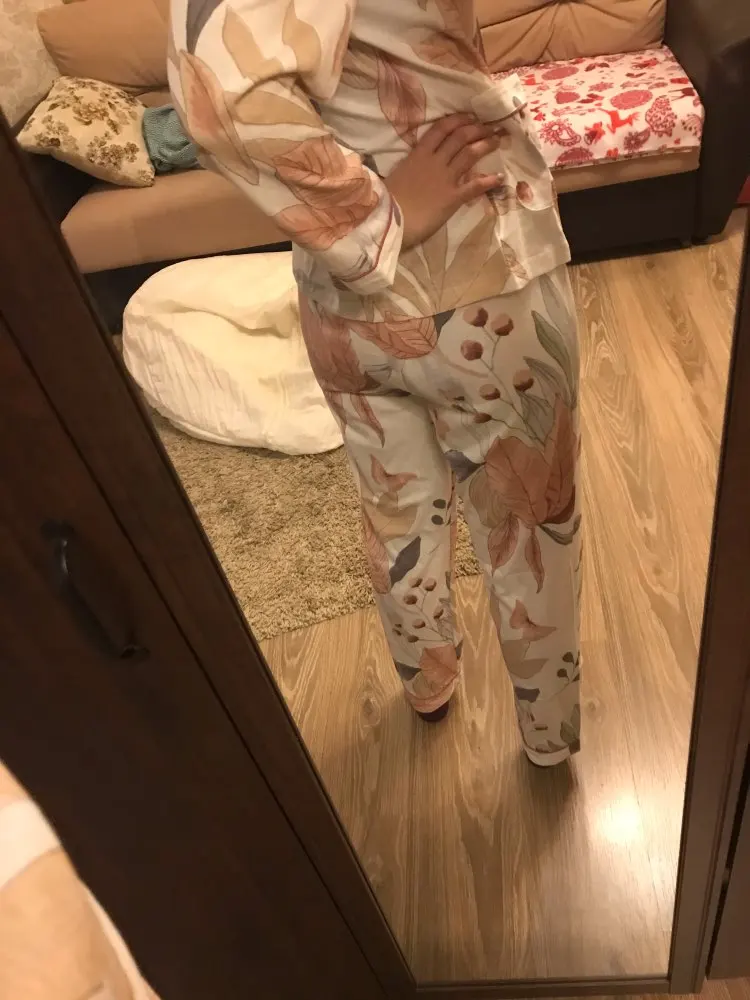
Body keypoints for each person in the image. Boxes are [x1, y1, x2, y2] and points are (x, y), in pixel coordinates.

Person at [169, 0, 582, 765]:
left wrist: (360, 227)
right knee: (529, 527)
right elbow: (220, 91)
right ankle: (549, 738)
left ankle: (427, 684)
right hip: (478, 277)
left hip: (341, 304)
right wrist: (378, 216)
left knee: (397, 511)